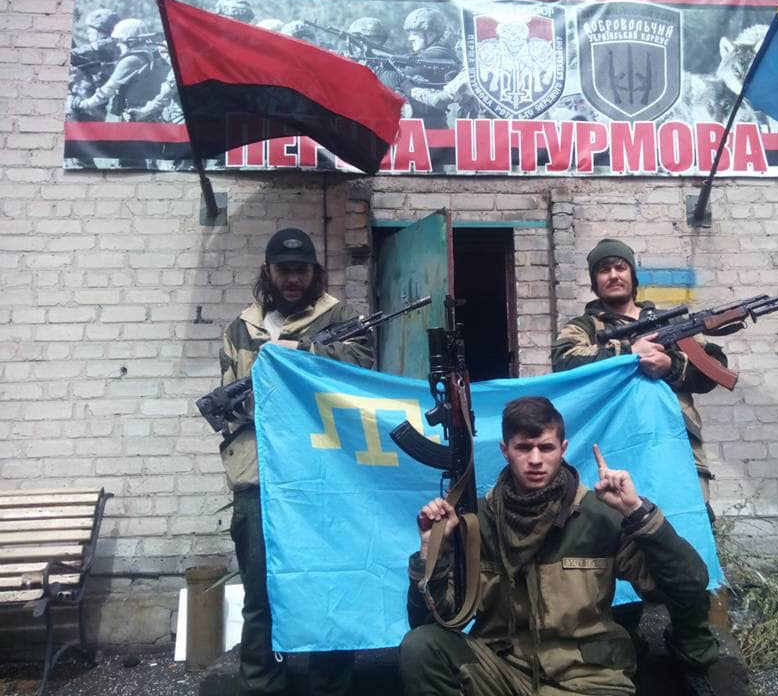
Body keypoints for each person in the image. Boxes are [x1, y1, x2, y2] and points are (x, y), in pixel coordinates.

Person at [399, 396, 717, 696]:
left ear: (563, 449)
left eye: (546, 447)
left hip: (588, 679)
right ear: (505, 450)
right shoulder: (476, 522)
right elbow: (430, 622)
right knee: (422, 646)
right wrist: (430, 552)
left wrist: (637, 511)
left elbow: (688, 584)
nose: (536, 460)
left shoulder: (600, 516)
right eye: (524, 448)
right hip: (505, 673)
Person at [219, 228, 374, 696]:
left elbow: (362, 366)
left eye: (301, 270)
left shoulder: (340, 316)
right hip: (259, 478)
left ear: (314, 272)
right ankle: (262, 683)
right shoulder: (242, 328)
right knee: (261, 593)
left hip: (323, 474)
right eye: (283, 270)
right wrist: (262, 393)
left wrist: (301, 352)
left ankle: (330, 686)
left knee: (330, 586)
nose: (292, 279)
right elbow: (227, 401)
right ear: (267, 271)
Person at [551, 238, 727, 515]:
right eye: (604, 270)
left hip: (677, 446)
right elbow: (565, 362)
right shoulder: (585, 327)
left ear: (632, 276)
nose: (613, 275)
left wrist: (670, 365)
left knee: (688, 526)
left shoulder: (671, 322)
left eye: (620, 268)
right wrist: (629, 352)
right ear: (595, 281)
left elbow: (714, 367)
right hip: (615, 449)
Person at [70, 18, 170, 123]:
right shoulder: (154, 55)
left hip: (134, 116)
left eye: (120, 41)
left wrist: (83, 104)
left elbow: (107, 90)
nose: (118, 45)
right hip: (153, 115)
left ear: (130, 41)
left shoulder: (131, 60)